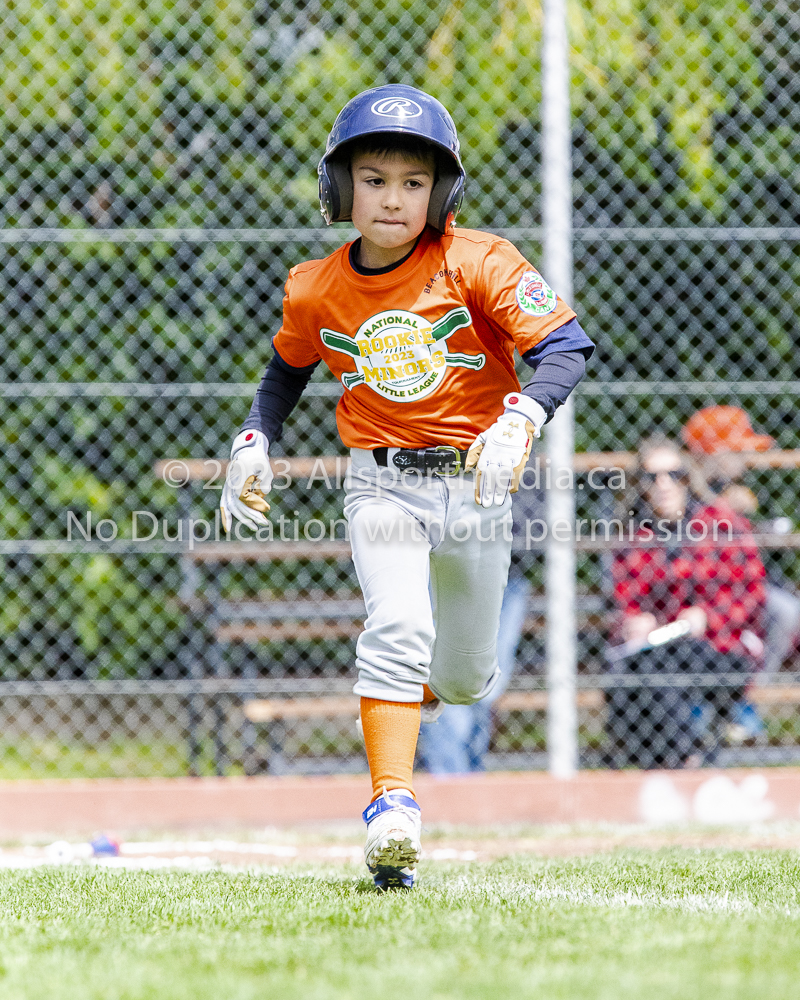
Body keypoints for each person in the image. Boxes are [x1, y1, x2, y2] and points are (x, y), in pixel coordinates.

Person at [218, 85, 594, 889]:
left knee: (461, 678)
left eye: (414, 182)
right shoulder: (315, 285)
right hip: (381, 484)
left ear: (443, 194)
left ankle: (408, 690)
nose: (393, 198)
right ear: (339, 186)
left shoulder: (478, 260)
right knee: (394, 624)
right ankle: (392, 808)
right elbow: (284, 375)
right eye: (375, 178)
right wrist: (254, 440)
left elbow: (565, 346)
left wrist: (522, 417)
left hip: (478, 487)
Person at [607, 437, 767, 767]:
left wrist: (708, 616)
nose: (664, 485)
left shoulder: (720, 523)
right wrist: (634, 621)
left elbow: (751, 592)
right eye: (653, 477)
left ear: (687, 477)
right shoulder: (634, 535)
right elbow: (625, 600)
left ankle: (684, 760)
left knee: (656, 671)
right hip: (659, 648)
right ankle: (682, 760)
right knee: (633, 672)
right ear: (641, 485)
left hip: (722, 647)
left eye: (674, 474)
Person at [683, 405, 800, 684]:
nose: (746, 458)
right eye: (736, 450)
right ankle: (749, 693)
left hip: (739, 583)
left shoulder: (728, 488)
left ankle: (749, 691)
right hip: (703, 589)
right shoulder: (687, 486)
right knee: (784, 611)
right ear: (713, 452)